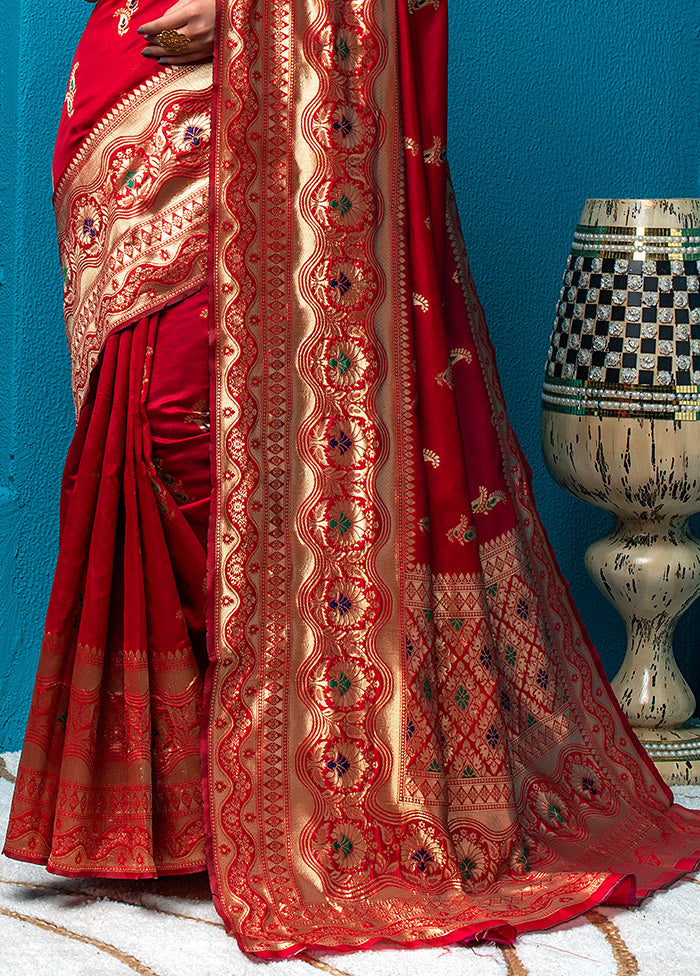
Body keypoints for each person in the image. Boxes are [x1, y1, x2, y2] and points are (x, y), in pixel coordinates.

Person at [4, 0, 700, 958]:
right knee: (155, 423)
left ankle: (303, 782)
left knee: (240, 436)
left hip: (275, 89)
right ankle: (199, 804)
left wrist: (251, 20)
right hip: (134, 94)